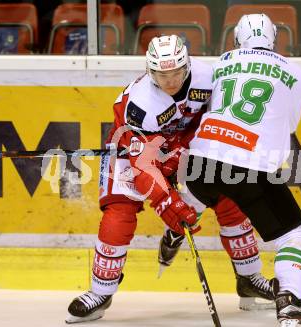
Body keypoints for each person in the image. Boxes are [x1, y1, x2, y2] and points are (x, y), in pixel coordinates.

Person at [65, 34, 276, 324]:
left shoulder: (209, 76)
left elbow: (223, 118)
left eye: (176, 72)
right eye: (162, 75)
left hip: (186, 146)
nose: (171, 80)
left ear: (187, 65)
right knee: (119, 212)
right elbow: (144, 166)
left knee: (230, 193)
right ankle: (101, 292)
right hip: (133, 151)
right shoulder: (141, 103)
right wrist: (168, 203)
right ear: (150, 72)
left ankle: (249, 278)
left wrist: (189, 145)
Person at [184, 14, 301, 326]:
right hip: (248, 163)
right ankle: (290, 301)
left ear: (236, 38)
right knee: (295, 235)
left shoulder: (219, 64)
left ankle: (180, 222)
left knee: (204, 193)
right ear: (275, 37)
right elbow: (288, 125)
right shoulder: (296, 73)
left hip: (199, 160)